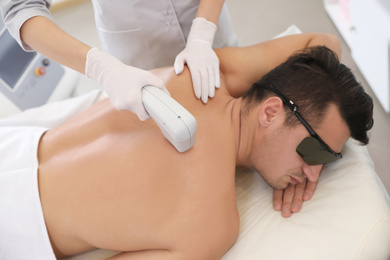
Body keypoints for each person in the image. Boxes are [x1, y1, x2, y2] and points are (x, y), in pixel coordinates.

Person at [0, 33, 373, 259]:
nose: (314, 172)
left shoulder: (205, 78)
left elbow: (324, 44)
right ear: (271, 111)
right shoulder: (211, 226)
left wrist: (307, 141)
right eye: (317, 152)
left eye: (330, 159)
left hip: (15, 145)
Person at [0, 0, 237, 120]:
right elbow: (21, 8)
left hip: (210, 32)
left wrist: (203, 32)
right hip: (136, 57)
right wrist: (102, 68)